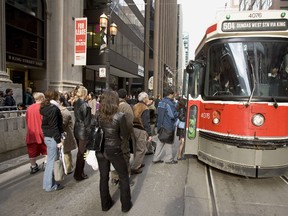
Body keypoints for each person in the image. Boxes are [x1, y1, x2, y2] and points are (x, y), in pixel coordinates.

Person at [95, 89, 132, 212]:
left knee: (103, 177)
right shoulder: (119, 116)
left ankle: (105, 205)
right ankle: (125, 205)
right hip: (114, 149)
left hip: (100, 149)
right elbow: (125, 135)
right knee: (123, 176)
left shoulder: (98, 115)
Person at [40, 90, 64, 192]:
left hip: (48, 136)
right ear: (55, 97)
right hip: (53, 137)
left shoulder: (45, 107)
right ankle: (49, 185)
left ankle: (47, 184)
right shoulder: (53, 109)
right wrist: (58, 140)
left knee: (50, 160)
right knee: (51, 161)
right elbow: (54, 126)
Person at [110, 88, 134, 185]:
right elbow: (129, 123)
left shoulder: (112, 106)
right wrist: (127, 135)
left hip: (112, 136)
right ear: (126, 96)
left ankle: (114, 177)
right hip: (122, 137)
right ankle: (125, 178)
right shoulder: (126, 107)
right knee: (125, 156)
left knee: (115, 157)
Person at [153, 87, 178, 164]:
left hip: (161, 125)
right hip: (168, 125)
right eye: (173, 94)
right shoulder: (169, 103)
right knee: (168, 142)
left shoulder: (161, 102)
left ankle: (156, 158)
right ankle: (169, 159)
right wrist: (178, 113)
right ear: (170, 94)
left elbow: (157, 113)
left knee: (160, 141)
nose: (173, 96)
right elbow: (172, 115)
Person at [130, 91, 152, 174]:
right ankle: (135, 167)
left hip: (133, 128)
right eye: (147, 97)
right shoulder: (145, 108)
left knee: (136, 147)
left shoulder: (134, 106)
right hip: (140, 129)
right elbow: (146, 122)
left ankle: (138, 163)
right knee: (141, 149)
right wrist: (149, 134)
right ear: (145, 98)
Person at [25, 92, 47, 174]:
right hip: (42, 131)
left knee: (32, 150)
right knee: (46, 149)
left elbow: (27, 120)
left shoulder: (29, 108)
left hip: (31, 132)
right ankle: (46, 163)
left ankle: (33, 166)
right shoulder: (43, 107)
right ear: (41, 98)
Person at [73, 86, 92, 181]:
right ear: (84, 94)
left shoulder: (76, 103)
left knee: (80, 153)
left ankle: (79, 172)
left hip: (77, 129)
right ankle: (78, 174)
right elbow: (88, 122)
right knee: (82, 153)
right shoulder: (86, 105)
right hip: (83, 131)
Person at [59, 95, 77, 174]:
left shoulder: (65, 112)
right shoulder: (61, 111)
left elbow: (62, 125)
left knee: (66, 151)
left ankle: (68, 167)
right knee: (66, 151)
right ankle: (68, 167)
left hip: (66, 135)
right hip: (64, 135)